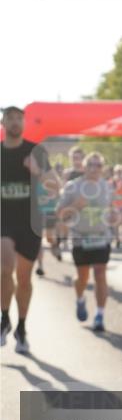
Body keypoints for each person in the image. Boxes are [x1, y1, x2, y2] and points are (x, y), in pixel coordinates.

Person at [1, 106, 53, 353]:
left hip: (30, 222)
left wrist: (38, 172)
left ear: (23, 123)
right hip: (3, 220)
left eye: (18, 118)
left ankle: (21, 326)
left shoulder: (36, 151)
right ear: (3, 123)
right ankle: (4, 318)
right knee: (4, 267)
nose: (14, 122)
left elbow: (55, 186)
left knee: (24, 279)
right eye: (9, 118)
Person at [57, 151, 115, 333]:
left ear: (102, 168)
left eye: (98, 165)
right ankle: (80, 298)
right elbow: (60, 213)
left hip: (101, 236)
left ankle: (99, 315)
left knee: (100, 273)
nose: (94, 169)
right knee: (82, 276)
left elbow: (114, 209)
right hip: (80, 237)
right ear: (84, 167)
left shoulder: (107, 187)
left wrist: (116, 216)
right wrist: (75, 206)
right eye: (90, 165)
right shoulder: (73, 187)